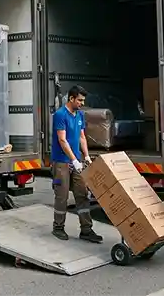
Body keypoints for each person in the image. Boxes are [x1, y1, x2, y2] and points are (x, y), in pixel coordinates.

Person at [50, 85, 103, 243]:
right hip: (61, 163)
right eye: (79, 100)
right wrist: (73, 159)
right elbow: (62, 140)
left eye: (83, 100)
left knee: (82, 195)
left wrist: (86, 156)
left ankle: (86, 229)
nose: (81, 103)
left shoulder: (79, 115)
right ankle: (58, 227)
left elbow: (82, 137)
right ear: (71, 98)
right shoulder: (60, 115)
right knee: (62, 196)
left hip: (77, 161)